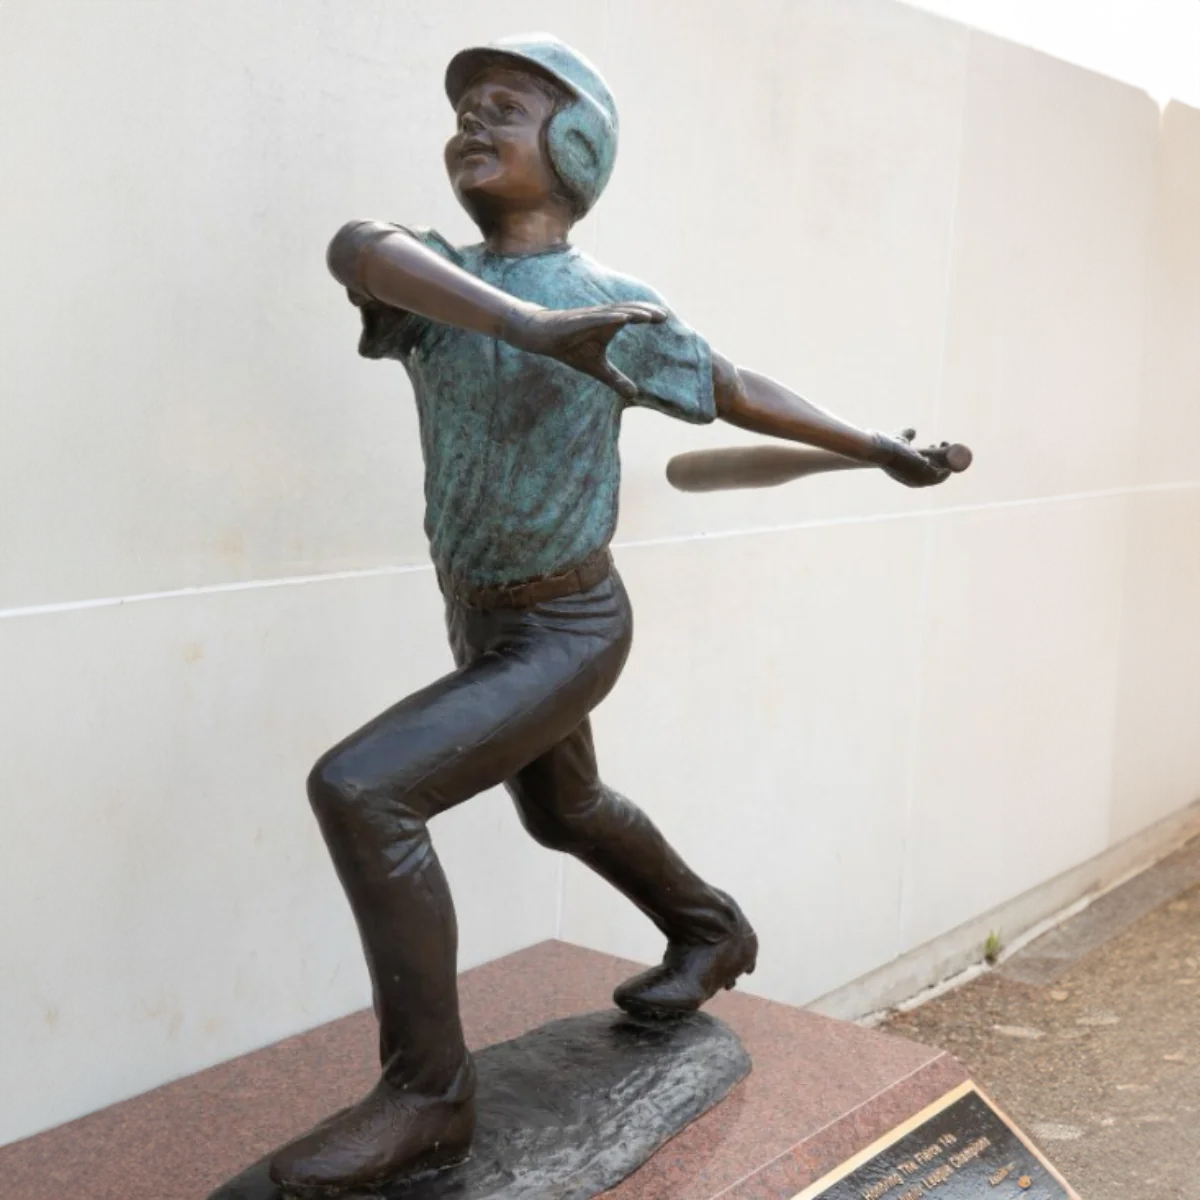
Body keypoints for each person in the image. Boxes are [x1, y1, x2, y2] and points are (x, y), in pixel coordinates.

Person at [269, 33, 951, 1194]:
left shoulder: (614, 306)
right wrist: (525, 330)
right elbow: (361, 247)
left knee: (365, 790)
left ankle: (429, 1096)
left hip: (570, 625)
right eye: (465, 113)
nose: (471, 128)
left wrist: (877, 444)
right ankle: (709, 927)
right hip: (480, 618)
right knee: (566, 806)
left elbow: (734, 386)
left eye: (505, 111)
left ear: (577, 148)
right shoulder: (443, 289)